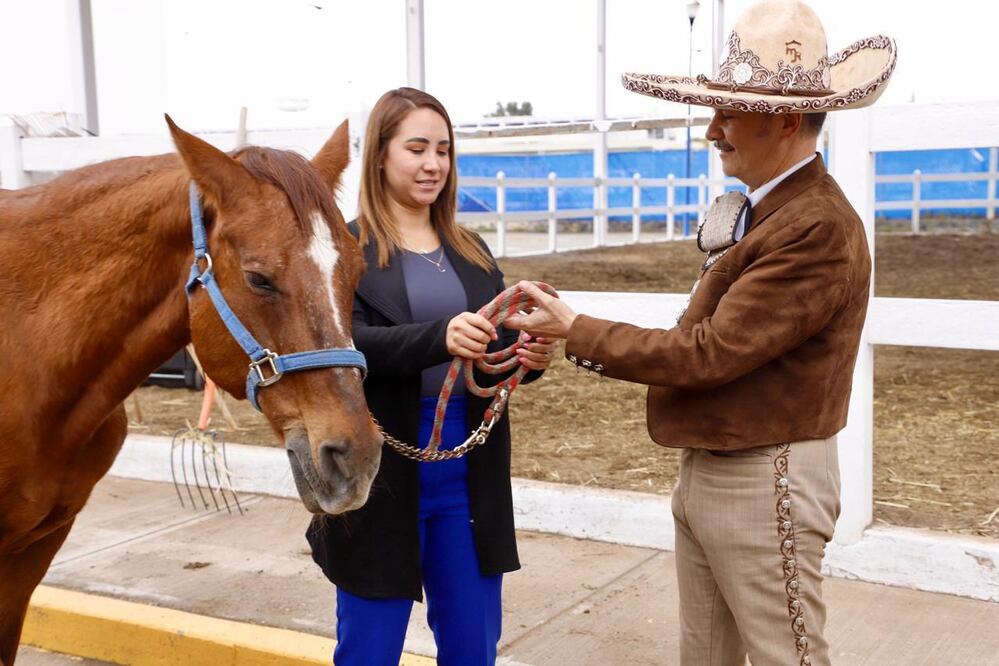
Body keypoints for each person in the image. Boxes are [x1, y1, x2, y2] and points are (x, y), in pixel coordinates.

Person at [506, 2, 896, 664]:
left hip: (765, 472)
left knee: (786, 655)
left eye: (728, 113)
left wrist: (576, 330)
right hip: (731, 464)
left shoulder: (815, 226)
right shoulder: (777, 213)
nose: (712, 130)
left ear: (785, 120)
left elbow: (709, 354)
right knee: (709, 652)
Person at [306, 87, 556, 666]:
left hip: (469, 470)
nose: (433, 164)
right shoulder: (345, 249)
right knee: (369, 648)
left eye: (443, 150)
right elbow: (341, 346)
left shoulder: (472, 249)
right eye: (416, 148)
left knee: (473, 647)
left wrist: (528, 358)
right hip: (380, 469)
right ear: (380, 156)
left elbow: (497, 346)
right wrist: (436, 338)